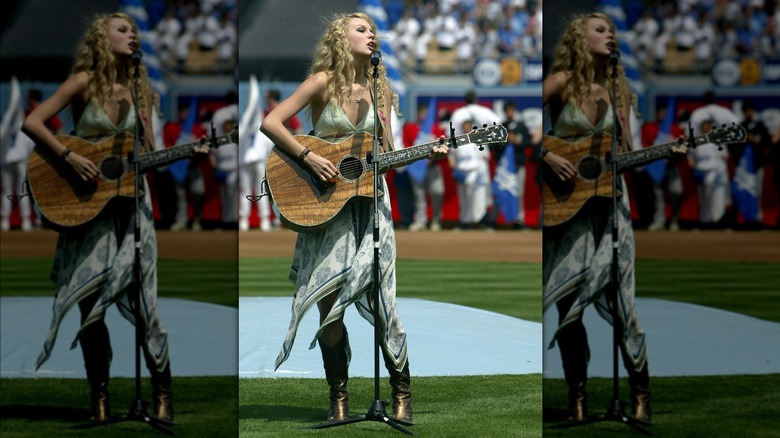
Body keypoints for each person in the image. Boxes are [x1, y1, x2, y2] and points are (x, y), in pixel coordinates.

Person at [259, 12, 447, 423]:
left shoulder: (380, 89)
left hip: (371, 209)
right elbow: (270, 122)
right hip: (325, 208)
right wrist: (309, 158)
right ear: (341, 38)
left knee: (384, 306)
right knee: (329, 313)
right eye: (361, 29)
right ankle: (338, 399)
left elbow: (387, 156)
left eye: (373, 29)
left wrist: (425, 151)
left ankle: (402, 394)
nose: (371, 34)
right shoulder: (321, 82)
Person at [21, 12, 207, 423]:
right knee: (92, 310)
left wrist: (186, 151)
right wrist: (70, 156)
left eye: (135, 31)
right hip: (86, 209)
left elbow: (147, 157)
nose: (132, 36)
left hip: (131, 212)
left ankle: (162, 397)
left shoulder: (142, 90)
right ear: (102, 39)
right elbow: (32, 122)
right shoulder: (84, 81)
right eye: (123, 30)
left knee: (145, 308)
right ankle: (99, 401)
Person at [541, 12, 686, 423]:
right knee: (570, 309)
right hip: (568, 212)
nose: (611, 36)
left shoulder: (619, 91)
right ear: (579, 37)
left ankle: (640, 397)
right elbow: (524, 132)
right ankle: (578, 400)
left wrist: (665, 152)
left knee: (625, 309)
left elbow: (628, 155)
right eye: (601, 30)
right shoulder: (560, 82)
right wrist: (548, 152)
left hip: (611, 209)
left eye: (612, 31)